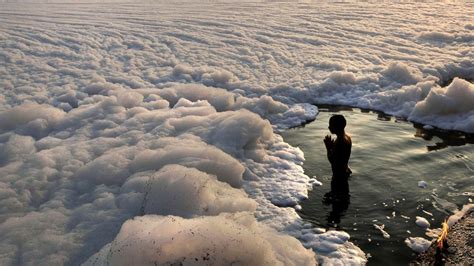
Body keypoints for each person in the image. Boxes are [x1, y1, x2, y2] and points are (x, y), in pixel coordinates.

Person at [323, 114, 352, 202]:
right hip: (345, 171)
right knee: (343, 197)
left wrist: (328, 148)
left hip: (339, 176)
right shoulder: (347, 137)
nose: (329, 127)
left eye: (331, 125)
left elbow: (333, 161)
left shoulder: (339, 141)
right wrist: (332, 148)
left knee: (337, 203)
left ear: (337, 127)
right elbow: (341, 157)